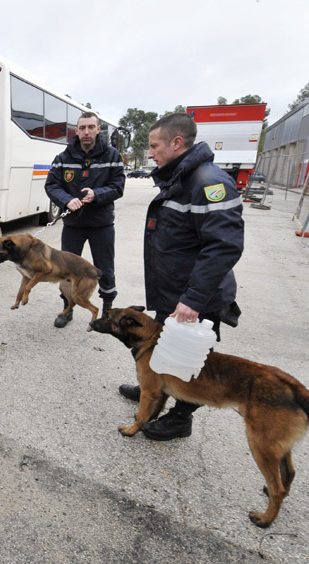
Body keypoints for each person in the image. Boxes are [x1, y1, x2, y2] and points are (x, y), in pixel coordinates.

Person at [118, 113, 244, 441]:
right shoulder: (180, 178)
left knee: (194, 363)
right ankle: (155, 388)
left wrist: (193, 299)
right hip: (173, 293)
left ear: (177, 143)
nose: (150, 153)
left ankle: (181, 418)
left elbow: (223, 246)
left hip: (194, 299)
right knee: (166, 349)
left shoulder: (208, 182)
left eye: (154, 145)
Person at [44, 112, 125, 327]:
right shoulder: (63, 158)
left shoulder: (112, 156)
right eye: (82, 128)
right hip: (74, 225)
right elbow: (51, 185)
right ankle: (67, 308)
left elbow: (118, 186)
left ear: (98, 129)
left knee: (104, 269)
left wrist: (97, 194)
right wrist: (67, 200)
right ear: (76, 131)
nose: (86, 132)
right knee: (66, 270)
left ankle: (107, 311)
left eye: (91, 127)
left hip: (102, 225)